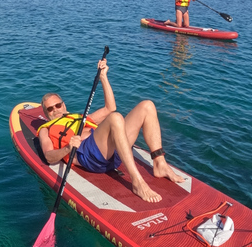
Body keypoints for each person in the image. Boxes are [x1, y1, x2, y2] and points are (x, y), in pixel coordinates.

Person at [37, 58, 184, 203]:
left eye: (57, 105)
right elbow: (49, 156)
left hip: (112, 152)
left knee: (147, 106)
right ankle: (137, 182)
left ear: (63, 105)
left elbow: (110, 108)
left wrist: (103, 77)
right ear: (45, 113)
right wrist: (67, 148)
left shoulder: (80, 117)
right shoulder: (46, 129)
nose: (55, 110)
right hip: (88, 157)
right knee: (115, 118)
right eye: (50, 109)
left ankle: (159, 163)